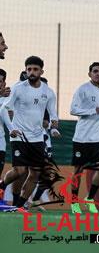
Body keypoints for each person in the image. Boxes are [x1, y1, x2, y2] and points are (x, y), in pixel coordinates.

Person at [0, 56, 58, 210]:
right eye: (29, 69)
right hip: (19, 135)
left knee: (35, 173)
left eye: (35, 69)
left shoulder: (48, 92)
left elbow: (53, 114)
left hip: (37, 138)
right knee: (20, 170)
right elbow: (4, 108)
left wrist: (54, 127)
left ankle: (20, 206)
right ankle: (2, 185)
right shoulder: (18, 88)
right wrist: (11, 128)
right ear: (26, 71)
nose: (32, 72)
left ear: (41, 71)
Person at [70, 62, 99, 214]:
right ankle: (74, 202)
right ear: (89, 74)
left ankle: (89, 199)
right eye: (95, 71)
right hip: (82, 137)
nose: (98, 73)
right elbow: (73, 110)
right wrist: (92, 111)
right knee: (78, 171)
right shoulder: (82, 89)